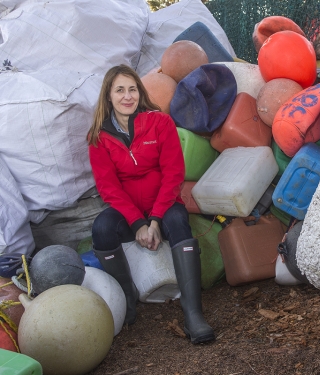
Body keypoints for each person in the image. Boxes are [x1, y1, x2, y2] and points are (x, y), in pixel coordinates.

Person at [87, 64, 215, 344]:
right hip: (128, 211)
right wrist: (138, 224)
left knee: (179, 222)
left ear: (140, 92)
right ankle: (127, 302)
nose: (127, 96)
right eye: (119, 90)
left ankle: (194, 315)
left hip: (164, 205)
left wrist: (155, 220)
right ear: (108, 96)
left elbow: (173, 174)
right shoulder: (99, 138)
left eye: (132, 89)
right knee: (102, 228)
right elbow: (109, 188)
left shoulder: (160, 123)